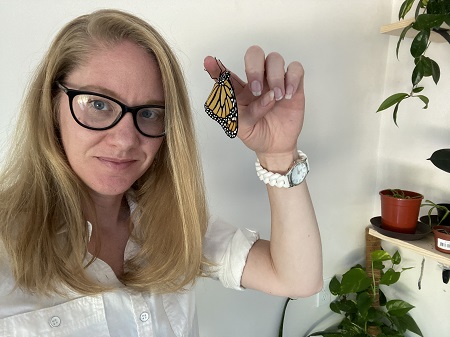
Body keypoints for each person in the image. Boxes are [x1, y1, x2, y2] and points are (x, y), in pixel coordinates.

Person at [0, 9, 322, 337]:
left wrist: (278, 154)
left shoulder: (172, 224)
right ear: (52, 105)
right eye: (98, 105)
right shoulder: (6, 246)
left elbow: (295, 278)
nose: (125, 140)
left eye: (150, 112)